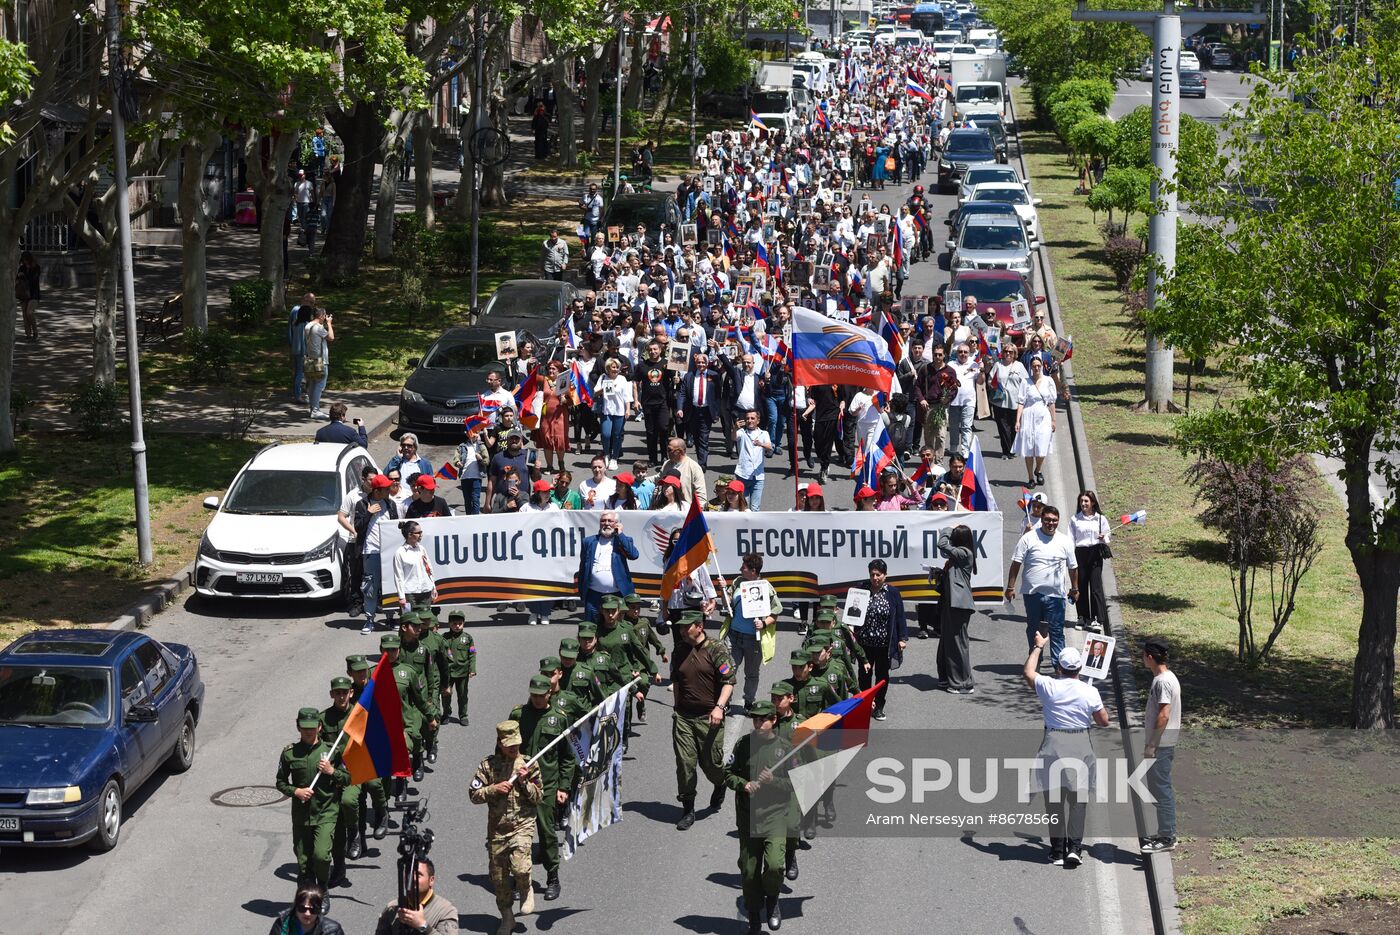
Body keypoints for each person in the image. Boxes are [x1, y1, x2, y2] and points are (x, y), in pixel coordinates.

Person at [1021, 635, 1110, 866]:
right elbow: (1104, 721)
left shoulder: (1049, 686)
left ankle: (1057, 850)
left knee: (1054, 800)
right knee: (1078, 800)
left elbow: (1029, 672)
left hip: (1053, 744)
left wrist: (1039, 647)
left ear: (1058, 668)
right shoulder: (1089, 692)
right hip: (1080, 744)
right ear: (1080, 668)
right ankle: (1075, 849)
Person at [725, 700, 793, 935]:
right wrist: (743, 784)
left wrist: (774, 781)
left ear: (773, 720)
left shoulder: (785, 748)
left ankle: (772, 901)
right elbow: (728, 774)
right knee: (749, 871)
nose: (757, 723)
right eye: (754, 719)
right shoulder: (744, 745)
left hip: (775, 816)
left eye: (762, 719)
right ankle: (754, 915)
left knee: (774, 865)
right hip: (748, 817)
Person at [468, 720, 543, 935]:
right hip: (498, 830)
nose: (513, 748)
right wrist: (493, 789)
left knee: (520, 867)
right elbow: (473, 795)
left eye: (516, 744)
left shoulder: (529, 764)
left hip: (522, 825)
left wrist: (525, 783)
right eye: (509, 744)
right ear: (500, 743)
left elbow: (539, 796)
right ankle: (507, 918)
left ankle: (526, 887)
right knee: (499, 880)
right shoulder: (488, 766)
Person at [510, 675, 576, 904]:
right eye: (534, 695)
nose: (537, 699)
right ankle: (519, 879)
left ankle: (552, 878)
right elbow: (504, 748)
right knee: (518, 835)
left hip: (545, 785)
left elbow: (567, 757)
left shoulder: (558, 720)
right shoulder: (518, 715)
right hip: (519, 785)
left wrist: (563, 787)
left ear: (549, 693)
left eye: (541, 695)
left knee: (547, 833)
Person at [670, 610, 736, 830]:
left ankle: (720, 783)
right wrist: (676, 706)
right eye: (680, 627)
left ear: (699, 626)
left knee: (712, 764)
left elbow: (729, 681)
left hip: (710, 718)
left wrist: (719, 707)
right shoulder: (679, 650)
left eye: (685, 626)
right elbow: (677, 680)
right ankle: (688, 809)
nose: (681, 630)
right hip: (684, 717)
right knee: (685, 763)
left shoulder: (716, 649)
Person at [275, 707, 348, 889]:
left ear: (320, 727)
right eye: (304, 727)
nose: (309, 731)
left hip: (326, 812)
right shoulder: (289, 753)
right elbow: (280, 782)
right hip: (302, 816)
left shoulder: (331, 752)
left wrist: (332, 771)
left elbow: (347, 778)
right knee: (304, 861)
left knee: (322, 856)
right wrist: (296, 791)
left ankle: (322, 888)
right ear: (298, 727)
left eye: (312, 727)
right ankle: (308, 894)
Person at [1005, 504, 1079, 665]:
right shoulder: (1028, 538)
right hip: (1032, 595)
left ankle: (1060, 667)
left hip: (1056, 596)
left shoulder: (1065, 541)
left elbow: (1073, 567)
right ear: (1042, 519)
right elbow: (1016, 563)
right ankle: (1034, 662)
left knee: (1057, 632)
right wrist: (1010, 587)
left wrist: (1074, 589)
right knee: (1034, 630)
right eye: (1047, 520)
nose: (1051, 523)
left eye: (1054, 520)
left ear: (1058, 521)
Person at [725, 552, 783, 710]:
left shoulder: (766, 587)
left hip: (753, 639)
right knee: (728, 671)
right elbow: (727, 602)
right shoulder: (738, 581)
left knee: (751, 673)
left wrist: (764, 624)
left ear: (753, 570)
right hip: (733, 636)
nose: (740, 569)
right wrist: (723, 590)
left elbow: (776, 611)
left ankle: (749, 701)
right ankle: (725, 702)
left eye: (743, 567)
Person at [852, 559, 907, 721]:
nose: (875, 578)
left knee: (882, 676)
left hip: (884, 644)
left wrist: (902, 638)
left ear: (885, 575)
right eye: (872, 574)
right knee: (864, 675)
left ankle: (879, 705)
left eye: (878, 574)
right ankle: (864, 704)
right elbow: (851, 612)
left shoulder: (893, 593)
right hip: (865, 643)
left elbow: (900, 617)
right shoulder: (861, 589)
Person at [1141, 637, 1181, 853]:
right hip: (1163, 744)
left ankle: (1167, 837)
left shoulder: (1162, 682)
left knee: (1160, 790)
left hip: (1161, 745)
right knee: (1159, 788)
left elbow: (1164, 715)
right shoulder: (1168, 677)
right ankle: (1166, 831)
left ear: (1149, 657)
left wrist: (1152, 745)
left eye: (1142, 655)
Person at [935, 525, 978, 694]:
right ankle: (946, 677)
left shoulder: (965, 553)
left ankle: (963, 682)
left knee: (957, 643)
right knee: (947, 641)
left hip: (959, 605)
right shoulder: (957, 557)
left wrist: (946, 529)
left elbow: (943, 545)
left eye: (954, 536)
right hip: (950, 603)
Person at [354, 475, 399, 633]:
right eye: (387, 489)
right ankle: (369, 620)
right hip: (370, 551)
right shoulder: (362, 504)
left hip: (389, 552)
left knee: (389, 585)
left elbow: (396, 527)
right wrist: (368, 513)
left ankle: (390, 618)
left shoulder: (390, 504)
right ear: (377, 491)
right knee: (370, 586)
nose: (390, 490)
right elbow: (358, 528)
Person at [372, 855, 460, 935]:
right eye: (408, 874)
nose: (412, 878)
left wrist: (422, 925)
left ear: (431, 880)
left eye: (418, 875)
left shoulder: (446, 911)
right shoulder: (392, 909)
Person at [576, 510, 638, 621]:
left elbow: (633, 555)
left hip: (617, 594)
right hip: (593, 596)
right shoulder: (588, 542)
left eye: (610, 521)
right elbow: (583, 568)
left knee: (617, 629)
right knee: (591, 629)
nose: (606, 523)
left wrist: (620, 534)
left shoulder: (623, 540)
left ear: (617, 523)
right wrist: (582, 592)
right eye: (603, 521)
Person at [1013, 355, 1057, 487]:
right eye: (1034, 366)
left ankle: (1038, 470)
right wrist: (1017, 420)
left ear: (1042, 366)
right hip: (1028, 416)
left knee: (1041, 447)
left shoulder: (1048, 381)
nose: (1037, 368)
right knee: (1028, 448)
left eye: (1039, 366)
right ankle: (1031, 478)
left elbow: (1051, 402)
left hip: (1043, 416)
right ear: (1031, 368)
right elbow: (1021, 402)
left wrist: (1054, 420)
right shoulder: (1025, 382)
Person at [1070, 490, 1111, 631]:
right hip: (1080, 554)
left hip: (1095, 554)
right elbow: (1071, 539)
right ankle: (1082, 617)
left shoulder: (1100, 519)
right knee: (1080, 586)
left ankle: (1097, 619)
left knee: (1095, 587)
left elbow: (1108, 536)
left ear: (1093, 503)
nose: (1083, 504)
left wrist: (1103, 537)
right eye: (1081, 501)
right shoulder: (1075, 519)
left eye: (1086, 501)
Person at [989, 343, 1028, 459]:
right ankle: (1006, 451)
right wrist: (992, 386)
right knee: (1002, 426)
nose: (1008, 353)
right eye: (1006, 351)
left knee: (1013, 427)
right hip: (999, 401)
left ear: (1014, 354)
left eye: (1011, 352)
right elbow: (990, 380)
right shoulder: (997, 365)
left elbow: (1025, 383)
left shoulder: (1019, 366)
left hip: (1015, 401)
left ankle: (1012, 447)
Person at [596, 357, 636, 470]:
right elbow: (595, 392)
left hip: (619, 411)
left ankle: (614, 458)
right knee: (606, 434)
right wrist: (604, 388)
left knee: (617, 435)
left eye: (617, 367)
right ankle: (606, 454)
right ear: (608, 368)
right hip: (606, 411)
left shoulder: (622, 379)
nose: (615, 369)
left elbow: (627, 396)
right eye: (613, 367)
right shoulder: (603, 378)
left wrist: (628, 409)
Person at [393, 520, 437, 613]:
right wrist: (401, 597)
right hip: (410, 593)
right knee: (410, 623)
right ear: (410, 534)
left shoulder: (421, 549)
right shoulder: (400, 552)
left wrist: (433, 587)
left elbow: (429, 569)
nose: (421, 535)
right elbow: (398, 577)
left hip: (425, 591)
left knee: (425, 621)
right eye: (418, 532)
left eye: (421, 532)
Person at [267, 882, 344, 935]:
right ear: (296, 906)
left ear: (319, 909)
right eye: (302, 908)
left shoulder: (333, 930)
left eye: (313, 909)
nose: (307, 913)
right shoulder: (282, 924)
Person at [733, 409, 772, 510]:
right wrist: (734, 428)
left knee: (755, 507)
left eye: (752, 418)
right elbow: (733, 438)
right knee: (744, 507)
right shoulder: (741, 432)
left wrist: (760, 444)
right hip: (743, 475)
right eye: (747, 418)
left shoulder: (764, 433)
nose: (750, 420)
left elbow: (769, 446)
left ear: (758, 421)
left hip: (758, 476)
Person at [442, 610, 477, 725]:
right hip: (448, 672)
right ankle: (446, 713)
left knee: (462, 696)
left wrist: (472, 669)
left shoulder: (467, 638)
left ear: (463, 623)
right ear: (449, 624)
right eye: (454, 624)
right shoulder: (444, 638)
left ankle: (463, 715)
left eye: (459, 623)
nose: (457, 626)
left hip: (462, 672)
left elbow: (472, 654)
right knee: (446, 695)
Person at [536, 359, 570, 473]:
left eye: (553, 369)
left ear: (559, 370)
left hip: (560, 415)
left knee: (559, 440)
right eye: (549, 368)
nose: (551, 370)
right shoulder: (544, 380)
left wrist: (566, 400)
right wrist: (530, 364)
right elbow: (532, 377)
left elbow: (573, 400)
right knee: (547, 440)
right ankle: (549, 466)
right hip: (545, 416)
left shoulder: (565, 381)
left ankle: (561, 464)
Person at [304, 307, 333, 419]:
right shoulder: (319, 328)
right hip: (320, 361)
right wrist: (329, 323)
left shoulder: (308, 326)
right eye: (325, 316)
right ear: (321, 316)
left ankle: (313, 408)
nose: (325, 318)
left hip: (310, 358)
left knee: (312, 384)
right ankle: (315, 410)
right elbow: (331, 337)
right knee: (319, 385)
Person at [661, 437, 707, 505]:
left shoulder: (694, 467)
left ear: (680, 451)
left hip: (685, 511)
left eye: (670, 450)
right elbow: (658, 478)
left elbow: (701, 495)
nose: (667, 452)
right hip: (667, 508)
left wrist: (698, 511)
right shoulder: (667, 464)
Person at [15, 251, 41, 342]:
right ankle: (28, 335)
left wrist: (24, 276)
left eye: (26, 260)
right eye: (23, 260)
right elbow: (17, 280)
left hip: (34, 295)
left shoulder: (36, 268)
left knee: (29, 313)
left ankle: (35, 332)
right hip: (23, 295)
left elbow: (34, 280)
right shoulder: (22, 268)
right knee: (24, 315)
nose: (25, 262)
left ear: (30, 259)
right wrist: (19, 276)